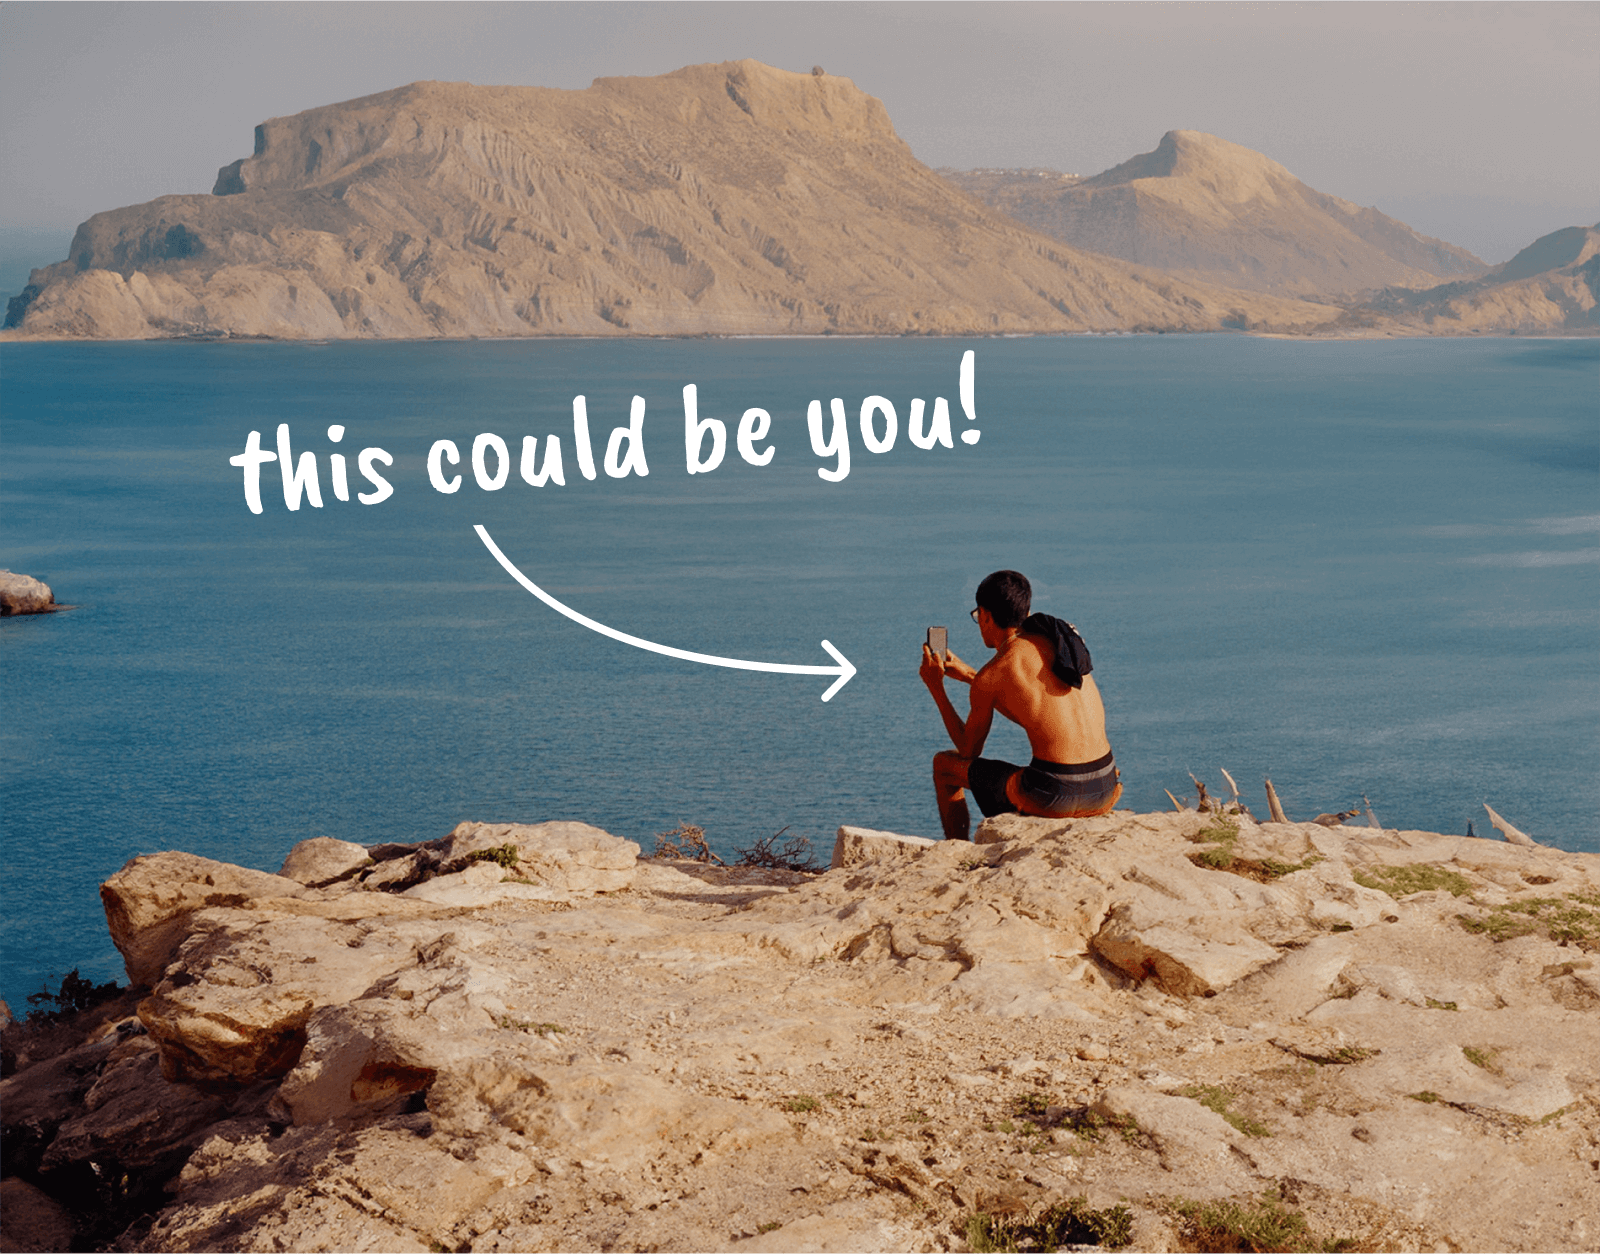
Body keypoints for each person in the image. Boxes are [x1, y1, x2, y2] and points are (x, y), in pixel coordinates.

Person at [919, 570, 1121, 840]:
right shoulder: (1061, 643)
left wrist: (937, 688)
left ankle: (957, 848)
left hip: (1055, 795)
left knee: (944, 765)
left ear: (986, 615)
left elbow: (968, 750)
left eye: (978, 617)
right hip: (1106, 787)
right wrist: (970, 676)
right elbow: (1035, 706)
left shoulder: (994, 673)